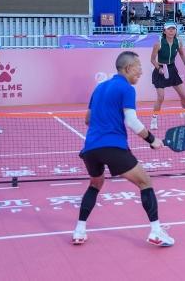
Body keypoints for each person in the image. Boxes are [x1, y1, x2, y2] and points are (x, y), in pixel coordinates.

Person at [72, 51, 174, 247]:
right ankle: (156, 232)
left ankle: (79, 230)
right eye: (138, 67)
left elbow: (88, 119)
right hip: (113, 146)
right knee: (145, 182)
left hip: (90, 148)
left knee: (95, 185)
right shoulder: (127, 88)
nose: (141, 71)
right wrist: (152, 140)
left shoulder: (99, 88)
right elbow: (132, 121)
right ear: (128, 68)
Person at [150, 22, 185, 130]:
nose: (171, 31)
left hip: (172, 69)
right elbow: (152, 59)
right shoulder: (158, 43)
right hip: (160, 70)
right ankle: (154, 118)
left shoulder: (178, 42)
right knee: (161, 97)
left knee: (183, 95)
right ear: (164, 31)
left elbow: (182, 54)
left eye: (173, 29)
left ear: (176, 31)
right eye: (169, 29)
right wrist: (159, 68)